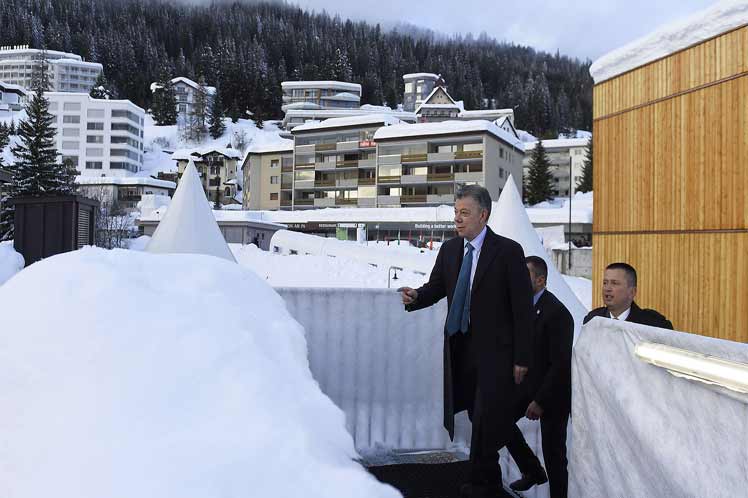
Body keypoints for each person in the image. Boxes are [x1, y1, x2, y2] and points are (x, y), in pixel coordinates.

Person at [399, 185, 534, 498]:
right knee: (477, 416)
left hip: (497, 353)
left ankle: (476, 484)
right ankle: (490, 479)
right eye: (455, 213)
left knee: (487, 415)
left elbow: (523, 309)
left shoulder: (508, 251)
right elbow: (436, 287)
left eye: (464, 213)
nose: (457, 220)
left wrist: (522, 357)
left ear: (483, 215)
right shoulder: (449, 250)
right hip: (460, 349)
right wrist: (416, 296)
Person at [505, 256, 574, 498]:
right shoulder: (520, 307)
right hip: (527, 388)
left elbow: (560, 365)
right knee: (499, 422)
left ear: (540, 280)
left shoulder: (558, 313)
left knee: (554, 456)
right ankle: (532, 469)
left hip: (552, 394)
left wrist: (540, 402)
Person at [584, 262, 673, 329]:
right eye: (605, 283)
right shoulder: (593, 319)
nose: (607, 288)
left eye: (614, 283)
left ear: (632, 292)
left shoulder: (653, 324)